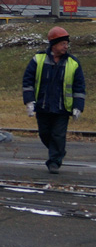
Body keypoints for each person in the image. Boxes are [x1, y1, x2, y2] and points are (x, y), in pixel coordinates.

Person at [22, 26, 86, 174]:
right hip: (43, 106)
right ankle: (58, 151)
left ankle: (54, 162)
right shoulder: (38, 59)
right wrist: (29, 101)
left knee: (58, 135)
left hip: (62, 108)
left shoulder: (73, 63)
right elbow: (28, 81)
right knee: (44, 134)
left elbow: (79, 87)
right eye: (63, 43)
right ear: (54, 45)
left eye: (66, 44)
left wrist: (78, 107)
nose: (66, 46)